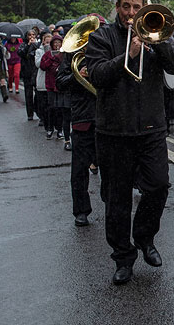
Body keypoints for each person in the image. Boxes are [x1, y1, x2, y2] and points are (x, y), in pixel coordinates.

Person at [86, 0, 174, 285]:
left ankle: (144, 237)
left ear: (144, 8)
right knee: (117, 200)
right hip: (113, 132)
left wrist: (159, 42)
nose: (131, 13)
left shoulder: (156, 34)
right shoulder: (101, 38)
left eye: (136, 7)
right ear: (117, 7)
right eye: (126, 7)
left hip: (151, 130)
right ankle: (123, 257)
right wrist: (127, 56)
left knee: (158, 186)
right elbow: (98, 75)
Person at [56, 17, 103, 227]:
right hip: (83, 118)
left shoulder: (105, 52)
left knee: (114, 166)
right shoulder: (72, 56)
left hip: (106, 117)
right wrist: (78, 76)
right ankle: (81, 211)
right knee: (79, 171)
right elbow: (60, 83)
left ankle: (113, 203)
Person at [40, 35, 66, 140]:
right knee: (51, 107)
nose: (56, 45)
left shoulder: (64, 55)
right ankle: (50, 129)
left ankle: (59, 130)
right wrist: (52, 59)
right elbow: (43, 66)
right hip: (50, 85)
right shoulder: (47, 54)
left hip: (60, 85)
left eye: (58, 43)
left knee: (59, 108)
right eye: (55, 43)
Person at [18, 30, 39, 121]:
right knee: (28, 94)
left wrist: (34, 45)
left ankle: (39, 112)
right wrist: (28, 46)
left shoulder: (38, 44)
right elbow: (21, 53)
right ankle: (30, 113)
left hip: (36, 71)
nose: (31, 36)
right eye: (29, 35)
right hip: (27, 71)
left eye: (33, 35)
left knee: (38, 94)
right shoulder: (23, 45)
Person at [35, 31, 52, 129]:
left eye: (50, 43)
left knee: (52, 106)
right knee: (43, 105)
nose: (48, 45)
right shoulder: (39, 51)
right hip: (42, 81)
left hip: (52, 82)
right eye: (46, 42)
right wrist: (45, 53)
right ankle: (44, 121)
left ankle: (52, 124)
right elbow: (38, 64)